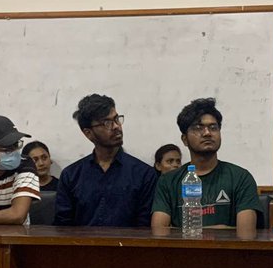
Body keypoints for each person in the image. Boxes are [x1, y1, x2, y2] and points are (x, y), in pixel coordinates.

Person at [152, 97, 262, 230]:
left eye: (213, 127)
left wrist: (185, 231)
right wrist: (222, 229)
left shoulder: (240, 178)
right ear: (185, 139)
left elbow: (246, 233)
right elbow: (159, 231)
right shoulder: (168, 181)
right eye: (198, 128)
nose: (207, 133)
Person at [54, 94, 157, 228]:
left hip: (128, 247)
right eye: (107, 123)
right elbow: (63, 226)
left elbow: (145, 227)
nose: (116, 126)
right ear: (88, 133)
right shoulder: (71, 175)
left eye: (116, 119)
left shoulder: (144, 174)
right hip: (82, 247)